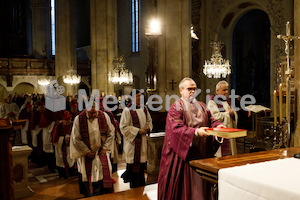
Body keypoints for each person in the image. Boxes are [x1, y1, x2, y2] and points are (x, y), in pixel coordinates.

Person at [158, 77, 224, 200]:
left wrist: (219, 126)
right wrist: (196, 132)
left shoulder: (202, 106)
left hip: (202, 155)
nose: (193, 92)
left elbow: (211, 120)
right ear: (181, 91)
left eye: (194, 89)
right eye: (189, 89)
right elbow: (175, 129)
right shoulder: (176, 108)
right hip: (184, 157)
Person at [70, 103, 115, 197]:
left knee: (102, 175)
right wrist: (86, 151)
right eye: (91, 113)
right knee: (88, 176)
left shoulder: (104, 116)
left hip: (101, 153)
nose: (94, 115)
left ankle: (103, 196)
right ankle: (90, 196)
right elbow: (76, 138)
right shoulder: (79, 119)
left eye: (95, 112)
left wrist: (105, 147)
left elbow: (111, 133)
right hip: (87, 154)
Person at [120, 90, 153, 188]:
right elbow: (123, 127)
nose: (141, 97)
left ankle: (142, 188)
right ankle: (134, 190)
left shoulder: (144, 109)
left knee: (142, 167)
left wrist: (148, 127)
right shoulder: (127, 110)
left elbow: (149, 121)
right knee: (134, 170)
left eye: (141, 96)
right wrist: (137, 131)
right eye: (138, 96)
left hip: (142, 142)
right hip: (133, 144)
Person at [207, 80, 238, 156]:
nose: (227, 92)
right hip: (220, 132)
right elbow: (215, 117)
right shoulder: (212, 102)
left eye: (227, 89)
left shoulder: (227, 101)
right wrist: (228, 114)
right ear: (217, 91)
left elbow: (234, 114)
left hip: (229, 132)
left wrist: (233, 114)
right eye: (224, 90)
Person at [52, 110, 76, 178]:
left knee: (72, 164)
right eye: (65, 120)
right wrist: (63, 139)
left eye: (68, 120)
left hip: (71, 148)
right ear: (62, 120)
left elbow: (78, 137)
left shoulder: (73, 125)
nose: (67, 122)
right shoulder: (58, 126)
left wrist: (71, 138)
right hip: (61, 149)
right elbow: (54, 140)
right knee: (62, 165)